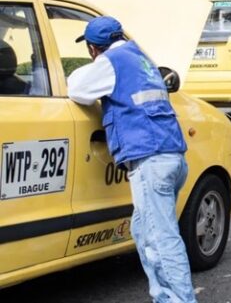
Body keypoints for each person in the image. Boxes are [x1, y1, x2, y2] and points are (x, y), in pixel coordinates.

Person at [67, 16, 196, 303]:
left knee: (161, 239)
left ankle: (180, 300)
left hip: (150, 162)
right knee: (144, 231)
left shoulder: (110, 62)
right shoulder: (140, 57)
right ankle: (163, 296)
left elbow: (76, 88)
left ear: (92, 48)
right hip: (171, 157)